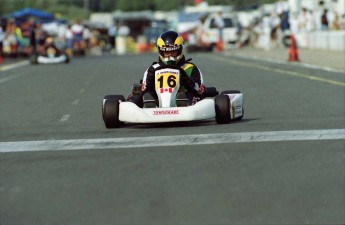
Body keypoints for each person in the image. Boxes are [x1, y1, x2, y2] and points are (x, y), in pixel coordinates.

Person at [131, 30, 205, 108]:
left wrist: (186, 81)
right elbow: (143, 89)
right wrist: (150, 80)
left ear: (179, 50)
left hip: (185, 98)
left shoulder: (190, 68)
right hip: (158, 100)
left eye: (173, 52)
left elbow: (200, 90)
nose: (170, 56)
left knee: (192, 97)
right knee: (138, 97)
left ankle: (182, 102)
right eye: (166, 53)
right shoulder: (153, 69)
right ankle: (149, 104)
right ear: (161, 52)